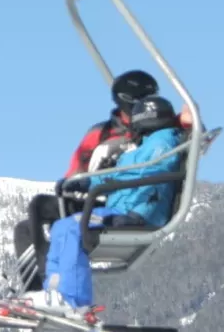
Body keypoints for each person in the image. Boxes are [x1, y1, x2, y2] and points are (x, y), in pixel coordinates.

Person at [14, 70, 187, 291]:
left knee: (67, 228)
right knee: (34, 218)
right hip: (103, 196)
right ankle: (39, 289)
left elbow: (175, 137)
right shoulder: (103, 134)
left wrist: (189, 120)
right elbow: (78, 167)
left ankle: (59, 291)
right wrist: (78, 182)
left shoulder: (158, 135)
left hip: (126, 202)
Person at [41, 93, 185, 310]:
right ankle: (53, 292)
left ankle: (74, 300)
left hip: (140, 211)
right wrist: (85, 182)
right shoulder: (146, 145)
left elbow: (149, 170)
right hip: (124, 207)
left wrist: (103, 180)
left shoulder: (163, 141)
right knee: (62, 227)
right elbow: (122, 171)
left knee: (72, 229)